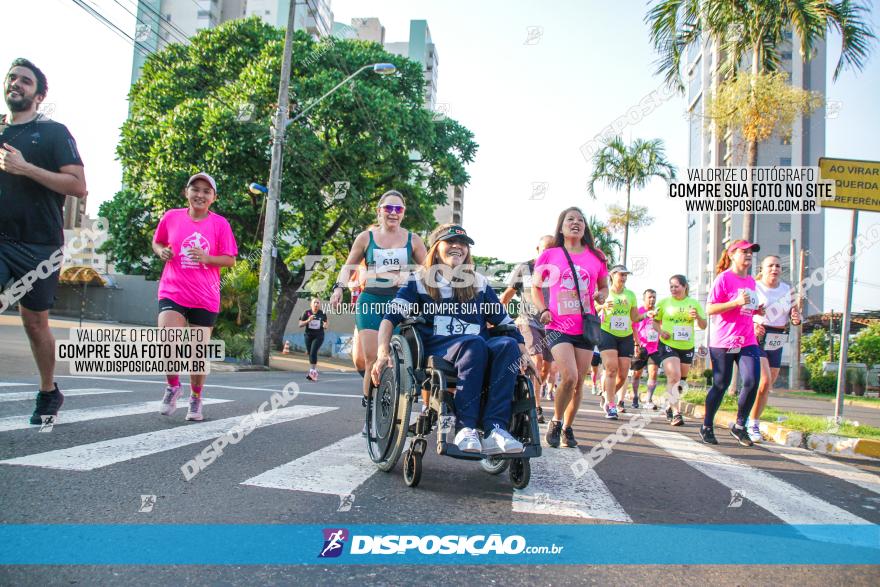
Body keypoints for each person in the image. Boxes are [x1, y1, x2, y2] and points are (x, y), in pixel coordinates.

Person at [371, 224, 533, 455]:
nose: (458, 247)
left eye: (463, 243)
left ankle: (495, 428)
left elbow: (505, 323)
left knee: (507, 346)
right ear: (437, 249)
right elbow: (390, 318)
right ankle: (465, 427)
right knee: (473, 344)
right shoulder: (418, 281)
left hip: (478, 345)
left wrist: (524, 353)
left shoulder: (478, 282)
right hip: (440, 347)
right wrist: (382, 353)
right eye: (451, 242)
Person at [0, 58, 87, 425]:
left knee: (35, 324)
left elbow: (78, 186)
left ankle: (49, 390)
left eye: (25, 81)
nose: (16, 84)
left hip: (39, 246)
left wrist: (26, 169)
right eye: (12, 78)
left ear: (39, 94)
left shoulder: (53, 133)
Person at [330, 191, 427, 433]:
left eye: (398, 209)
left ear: (403, 213)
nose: (393, 213)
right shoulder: (366, 237)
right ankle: (370, 414)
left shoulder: (413, 240)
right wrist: (339, 288)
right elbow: (349, 266)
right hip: (371, 300)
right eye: (388, 208)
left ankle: (398, 404)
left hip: (401, 302)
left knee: (397, 359)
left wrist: (408, 277)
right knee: (373, 357)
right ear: (379, 210)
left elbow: (429, 271)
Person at [154, 172, 237, 421]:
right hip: (173, 290)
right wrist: (161, 252)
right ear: (187, 192)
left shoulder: (220, 224)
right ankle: (172, 386)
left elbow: (230, 259)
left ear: (213, 197)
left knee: (196, 353)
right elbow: (157, 241)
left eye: (206, 191)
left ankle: (196, 397)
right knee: (168, 340)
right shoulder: (171, 217)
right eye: (195, 189)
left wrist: (208, 258)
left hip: (205, 295)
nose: (200, 194)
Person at [532, 207, 609, 448]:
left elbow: (604, 286)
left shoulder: (596, 256)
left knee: (577, 383)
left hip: (585, 325)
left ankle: (567, 427)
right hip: (557, 325)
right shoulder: (550, 255)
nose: (575, 223)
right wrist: (543, 310)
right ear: (561, 226)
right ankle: (555, 420)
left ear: (585, 227)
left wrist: (601, 296)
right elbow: (535, 288)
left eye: (580, 220)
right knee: (570, 376)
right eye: (570, 219)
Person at [702, 240, 763, 446]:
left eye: (750, 253)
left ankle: (739, 425)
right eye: (743, 252)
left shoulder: (752, 281)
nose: (748, 255)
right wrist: (735, 303)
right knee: (721, 384)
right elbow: (709, 309)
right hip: (723, 340)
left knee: (752, 381)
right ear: (732, 255)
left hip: (747, 340)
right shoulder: (723, 279)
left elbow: (747, 308)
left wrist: (757, 311)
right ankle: (707, 426)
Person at [500, 234, 556, 424]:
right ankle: (535, 407)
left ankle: (523, 391)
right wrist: (497, 318)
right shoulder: (525, 268)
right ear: (537, 249)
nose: (548, 253)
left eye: (552, 249)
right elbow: (507, 295)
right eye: (544, 249)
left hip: (551, 325)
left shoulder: (559, 269)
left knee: (547, 369)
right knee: (537, 361)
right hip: (527, 321)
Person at [747, 255, 801, 442]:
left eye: (778, 265)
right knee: (764, 381)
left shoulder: (788, 290)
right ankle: (752, 424)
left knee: (767, 386)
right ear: (762, 268)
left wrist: (795, 318)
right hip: (757, 334)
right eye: (770, 265)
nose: (775, 269)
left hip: (777, 336)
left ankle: (747, 416)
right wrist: (754, 322)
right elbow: (745, 312)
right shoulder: (754, 286)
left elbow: (795, 314)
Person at [653, 275, 707, 426]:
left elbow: (704, 325)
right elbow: (654, 323)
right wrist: (661, 331)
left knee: (681, 381)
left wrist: (697, 318)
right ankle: (677, 412)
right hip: (668, 344)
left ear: (684, 287)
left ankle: (670, 405)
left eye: (676, 286)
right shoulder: (664, 303)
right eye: (671, 286)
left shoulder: (693, 303)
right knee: (674, 376)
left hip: (686, 346)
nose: (673, 289)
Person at [598, 265, 649, 418]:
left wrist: (647, 315)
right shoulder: (605, 293)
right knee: (612, 369)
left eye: (626, 275)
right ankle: (611, 405)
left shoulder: (631, 295)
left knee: (623, 374)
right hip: (607, 333)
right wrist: (603, 305)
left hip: (625, 336)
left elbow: (634, 318)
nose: (624, 278)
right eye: (621, 275)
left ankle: (607, 396)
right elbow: (593, 308)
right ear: (612, 276)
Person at [632, 289, 660, 410]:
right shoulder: (639, 312)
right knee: (637, 374)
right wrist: (636, 345)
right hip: (641, 346)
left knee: (653, 373)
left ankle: (648, 400)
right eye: (649, 297)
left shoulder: (658, 312)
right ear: (644, 299)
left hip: (655, 347)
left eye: (654, 297)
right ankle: (634, 396)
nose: (652, 299)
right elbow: (634, 329)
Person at [298, 297, 328, 381]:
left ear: (320, 305)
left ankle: (312, 372)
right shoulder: (306, 312)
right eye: (314, 302)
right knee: (310, 352)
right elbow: (300, 324)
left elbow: (326, 323)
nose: (316, 304)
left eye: (318, 303)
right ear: (311, 304)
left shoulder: (322, 313)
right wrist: (308, 320)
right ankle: (314, 371)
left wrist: (325, 325)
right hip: (308, 335)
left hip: (319, 336)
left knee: (313, 352)